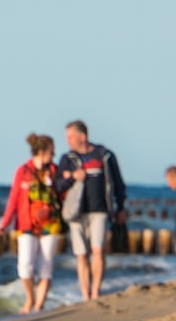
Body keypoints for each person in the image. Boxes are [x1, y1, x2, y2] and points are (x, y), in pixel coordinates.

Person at [54, 120, 127, 300]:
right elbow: (58, 185)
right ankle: (85, 295)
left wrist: (121, 207)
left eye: (71, 136)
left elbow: (118, 183)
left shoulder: (105, 156)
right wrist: (72, 177)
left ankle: (96, 292)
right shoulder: (67, 160)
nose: (68, 140)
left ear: (83, 136)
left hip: (100, 210)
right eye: (67, 137)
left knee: (98, 250)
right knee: (81, 255)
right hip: (75, 212)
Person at [0, 133, 61, 313]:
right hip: (26, 225)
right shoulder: (22, 171)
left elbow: (63, 196)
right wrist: (4, 224)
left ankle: (39, 305)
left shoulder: (55, 171)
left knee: (46, 266)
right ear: (41, 151)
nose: (53, 155)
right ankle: (30, 299)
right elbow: (13, 200)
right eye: (51, 152)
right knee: (25, 265)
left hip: (51, 224)